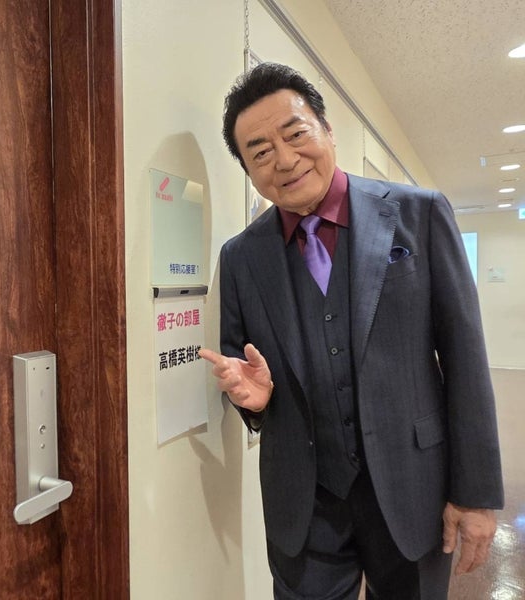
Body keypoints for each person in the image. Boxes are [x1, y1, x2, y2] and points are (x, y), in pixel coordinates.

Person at [199, 62, 503, 599]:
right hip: (304, 504)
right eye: (260, 153)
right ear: (247, 169)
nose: (285, 160)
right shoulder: (241, 257)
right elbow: (239, 370)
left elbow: (465, 358)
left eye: (295, 134)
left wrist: (475, 493)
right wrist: (257, 404)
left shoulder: (419, 214)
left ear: (326, 129)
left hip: (413, 488)